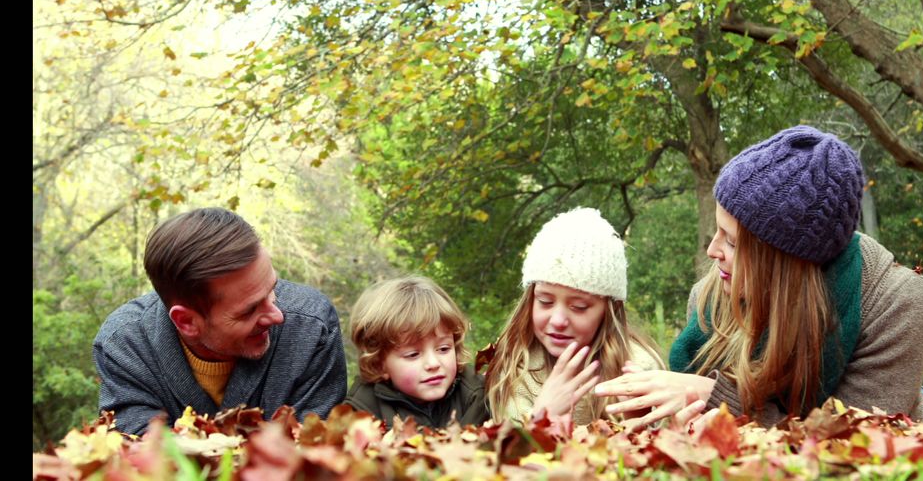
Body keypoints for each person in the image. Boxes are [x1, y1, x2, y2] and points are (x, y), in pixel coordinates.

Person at [594, 125, 923, 428]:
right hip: (814, 415)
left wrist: (714, 398)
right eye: (716, 232)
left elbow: (861, 439)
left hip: (910, 417)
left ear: (784, 260)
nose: (712, 252)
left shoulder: (899, 301)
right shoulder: (713, 291)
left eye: (733, 242)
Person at [93, 207, 348, 435]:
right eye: (249, 311)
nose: (277, 315)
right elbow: (143, 456)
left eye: (272, 290)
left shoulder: (312, 327)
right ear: (187, 322)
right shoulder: (124, 346)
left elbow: (313, 451)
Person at [484, 207, 665, 425]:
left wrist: (637, 418)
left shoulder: (639, 365)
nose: (558, 320)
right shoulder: (516, 367)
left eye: (579, 306)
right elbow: (509, 450)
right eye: (545, 301)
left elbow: (661, 447)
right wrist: (542, 415)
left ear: (611, 310)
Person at [343, 276, 489, 428]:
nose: (433, 364)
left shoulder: (477, 393)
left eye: (444, 349)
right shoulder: (362, 409)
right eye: (413, 354)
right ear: (379, 364)